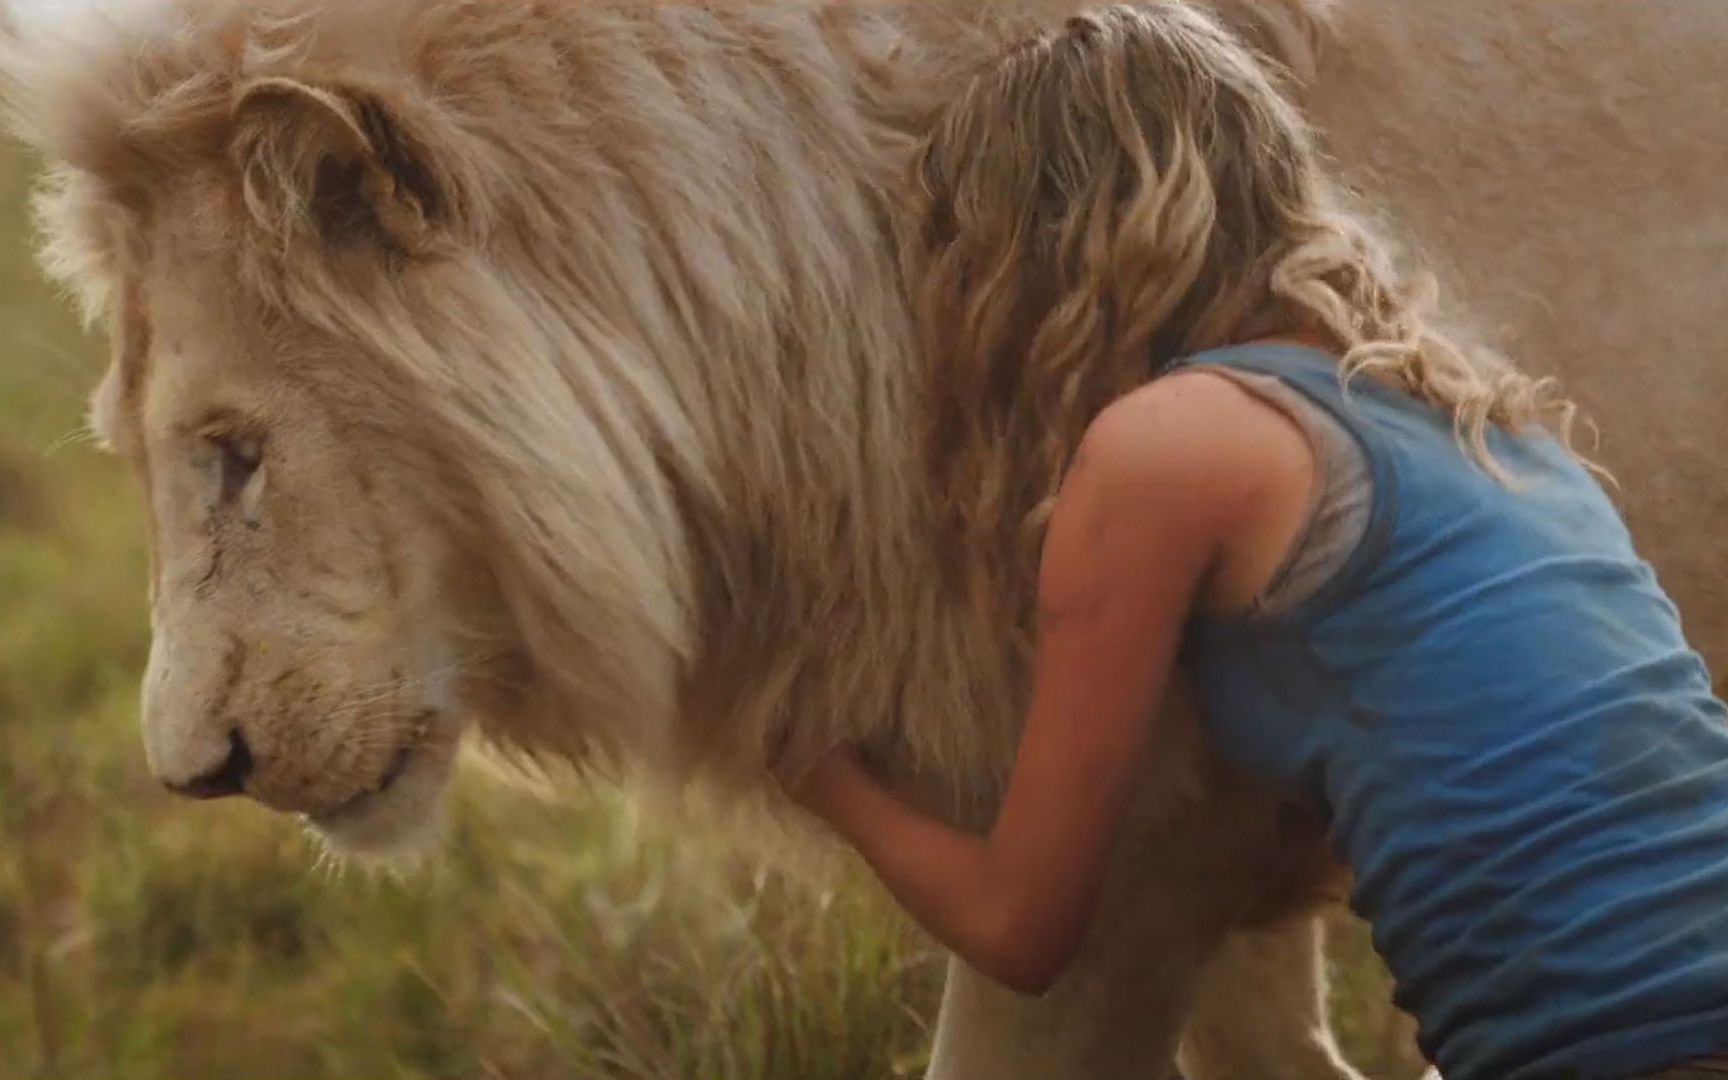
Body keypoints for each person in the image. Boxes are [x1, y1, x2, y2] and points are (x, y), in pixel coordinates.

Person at [778, 6, 1728, 1079]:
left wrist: (823, 772)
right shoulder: (1455, 401)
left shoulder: (1162, 452)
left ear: (1035, 259)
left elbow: (1021, 928)